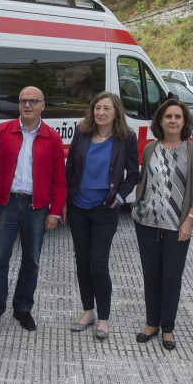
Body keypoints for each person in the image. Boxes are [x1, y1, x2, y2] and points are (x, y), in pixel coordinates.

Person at [0, 86, 67, 336]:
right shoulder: (2, 131)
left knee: (32, 261)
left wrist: (55, 211)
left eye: (33, 101)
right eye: (22, 101)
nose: (27, 105)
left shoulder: (52, 137)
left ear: (43, 105)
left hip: (36, 207)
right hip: (4, 204)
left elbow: (59, 180)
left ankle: (22, 308)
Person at [64, 92, 139, 340]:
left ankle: (103, 318)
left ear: (116, 112)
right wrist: (64, 203)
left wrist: (118, 199)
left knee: (98, 264)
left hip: (104, 209)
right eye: (97, 108)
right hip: (78, 208)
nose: (101, 113)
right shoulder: (82, 132)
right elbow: (70, 169)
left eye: (106, 108)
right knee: (82, 262)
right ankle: (88, 312)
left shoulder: (126, 137)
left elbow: (132, 175)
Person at [133, 99, 193, 350]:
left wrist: (190, 220)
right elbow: (143, 180)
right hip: (146, 223)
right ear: (160, 121)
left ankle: (168, 328)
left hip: (177, 225)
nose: (172, 121)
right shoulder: (150, 148)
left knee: (171, 277)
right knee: (151, 275)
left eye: (177, 117)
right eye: (168, 117)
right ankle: (152, 323)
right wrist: (137, 206)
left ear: (184, 122)